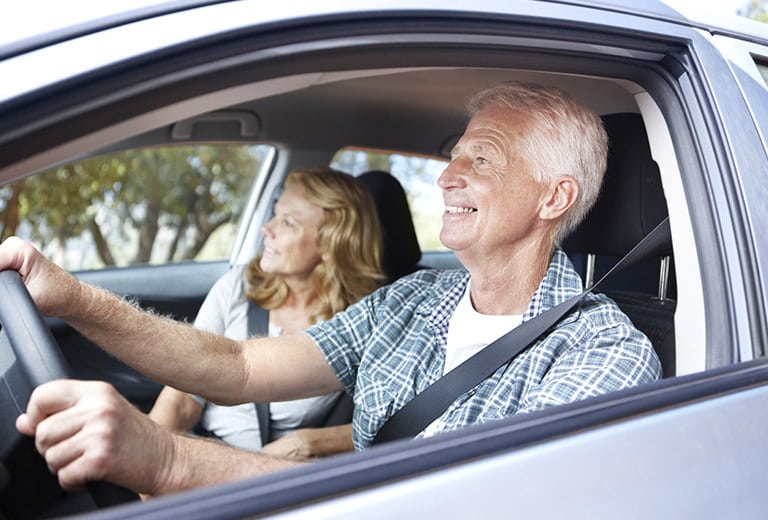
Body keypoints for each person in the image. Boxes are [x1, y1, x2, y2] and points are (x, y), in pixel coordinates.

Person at [2, 81, 661, 496]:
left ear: (554, 197)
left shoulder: (602, 356)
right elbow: (235, 366)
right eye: (453, 154)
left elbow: (442, 506)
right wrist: (69, 297)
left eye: (479, 159)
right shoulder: (411, 301)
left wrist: (170, 462)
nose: (446, 177)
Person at [147, 166, 384, 460]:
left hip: (279, 475)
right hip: (202, 454)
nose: (266, 229)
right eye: (275, 213)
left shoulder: (364, 319)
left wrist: (313, 442)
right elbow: (182, 396)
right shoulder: (238, 286)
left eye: (288, 222)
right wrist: (149, 464)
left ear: (332, 243)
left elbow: (391, 420)